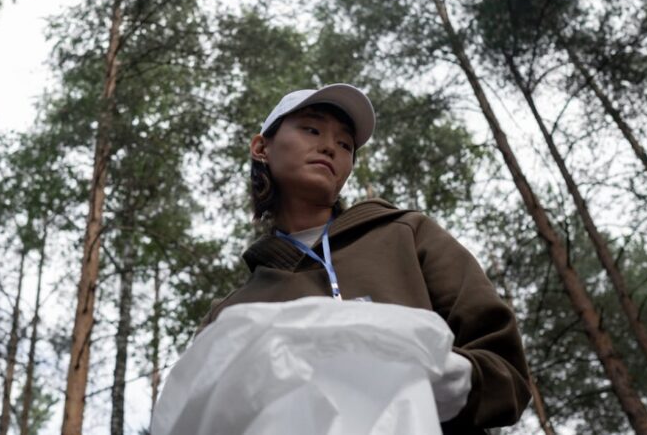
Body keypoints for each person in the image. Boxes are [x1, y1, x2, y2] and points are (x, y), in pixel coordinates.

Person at [198, 83, 531, 434]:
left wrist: (438, 379)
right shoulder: (228, 316)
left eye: (345, 144)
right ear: (261, 147)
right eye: (311, 129)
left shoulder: (405, 232)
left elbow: (505, 370)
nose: (330, 147)